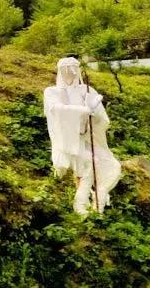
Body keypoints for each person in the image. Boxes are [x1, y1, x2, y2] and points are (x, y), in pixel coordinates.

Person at [44, 57, 121, 215]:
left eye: (73, 70)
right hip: (69, 142)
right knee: (87, 166)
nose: (70, 75)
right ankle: (80, 205)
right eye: (66, 71)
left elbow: (101, 117)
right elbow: (56, 109)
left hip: (86, 138)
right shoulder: (52, 92)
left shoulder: (86, 90)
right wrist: (82, 110)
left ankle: (99, 197)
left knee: (112, 166)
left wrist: (93, 112)